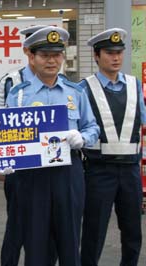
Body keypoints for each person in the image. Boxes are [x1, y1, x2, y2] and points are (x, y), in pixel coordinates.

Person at [5, 26, 100, 266]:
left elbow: (92, 127)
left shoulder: (75, 92)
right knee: (35, 244)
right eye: (45, 55)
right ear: (32, 57)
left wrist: (83, 138)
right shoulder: (18, 95)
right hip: (32, 175)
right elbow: (5, 135)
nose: (51, 61)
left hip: (68, 174)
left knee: (69, 242)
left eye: (57, 55)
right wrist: (5, 158)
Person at [80, 28, 145, 266]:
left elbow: (142, 119)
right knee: (93, 232)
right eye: (109, 52)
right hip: (99, 171)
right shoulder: (84, 88)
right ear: (97, 56)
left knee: (133, 232)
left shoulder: (134, 85)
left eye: (119, 52)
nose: (116, 57)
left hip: (130, 171)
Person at [0, 24, 49, 266]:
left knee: (43, 232)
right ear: (28, 51)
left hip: (50, 170)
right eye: (39, 51)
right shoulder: (10, 81)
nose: (46, 58)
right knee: (16, 226)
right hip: (19, 169)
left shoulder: (59, 81)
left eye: (51, 53)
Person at [0, 25, 47, 108]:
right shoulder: (10, 82)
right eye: (43, 54)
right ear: (26, 50)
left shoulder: (63, 84)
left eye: (54, 54)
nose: (50, 59)